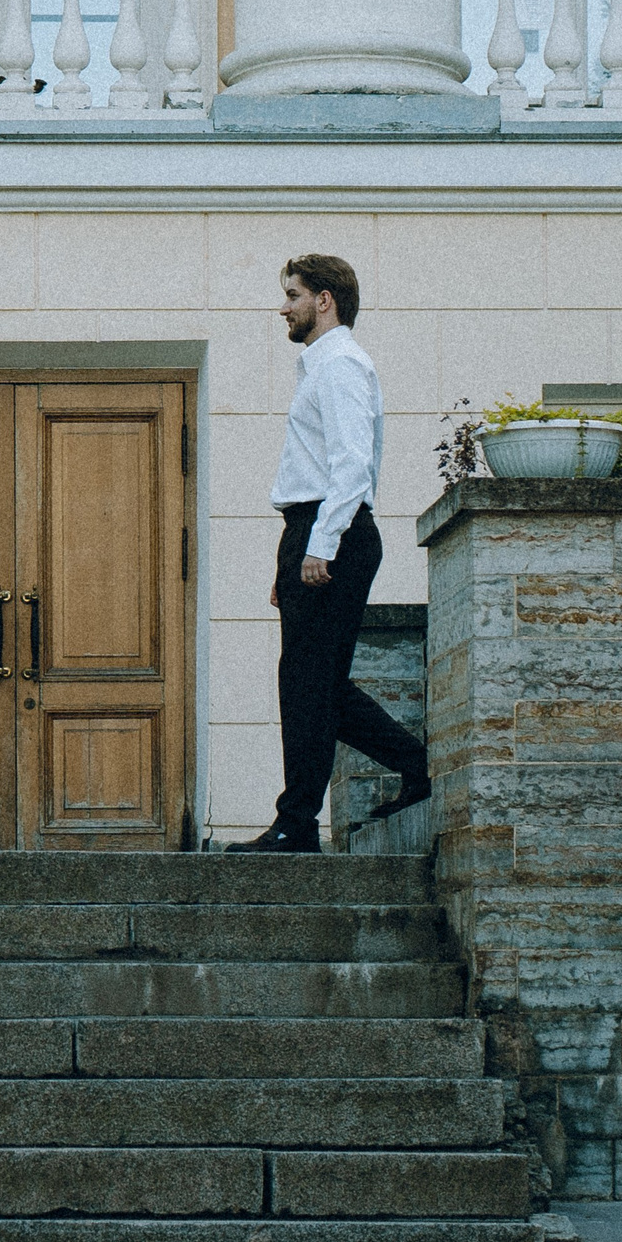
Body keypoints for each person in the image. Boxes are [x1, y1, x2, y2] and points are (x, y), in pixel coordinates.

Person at [229, 253, 431, 854]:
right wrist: (289, 559)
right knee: (318, 684)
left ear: (324, 300)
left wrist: (319, 546)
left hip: (331, 530)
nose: (282, 306)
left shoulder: (340, 363)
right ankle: (416, 766)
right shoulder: (323, 365)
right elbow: (317, 471)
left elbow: (350, 468)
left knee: (306, 684)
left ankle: (297, 823)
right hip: (316, 529)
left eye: (292, 294)